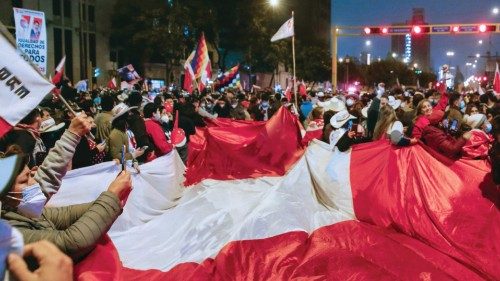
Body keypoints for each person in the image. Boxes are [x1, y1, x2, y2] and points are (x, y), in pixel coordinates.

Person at [0, 144, 132, 261]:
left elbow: (67, 214)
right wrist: (112, 196)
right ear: (4, 194)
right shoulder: (9, 233)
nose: (34, 182)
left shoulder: (23, 212)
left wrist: (115, 199)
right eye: (24, 181)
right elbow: (72, 242)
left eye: (30, 175)